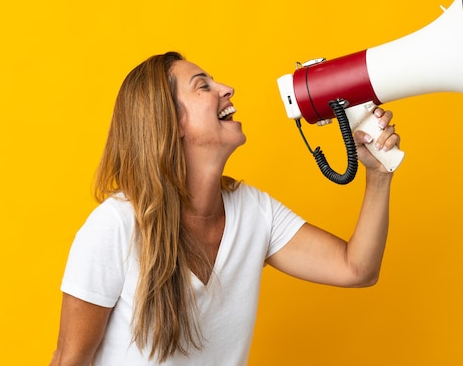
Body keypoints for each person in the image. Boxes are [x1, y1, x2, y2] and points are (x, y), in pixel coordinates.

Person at [50, 51, 401, 366]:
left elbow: (357, 269)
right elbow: (70, 359)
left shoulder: (253, 211)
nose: (227, 88)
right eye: (203, 86)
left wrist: (378, 175)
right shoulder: (115, 226)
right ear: (170, 123)